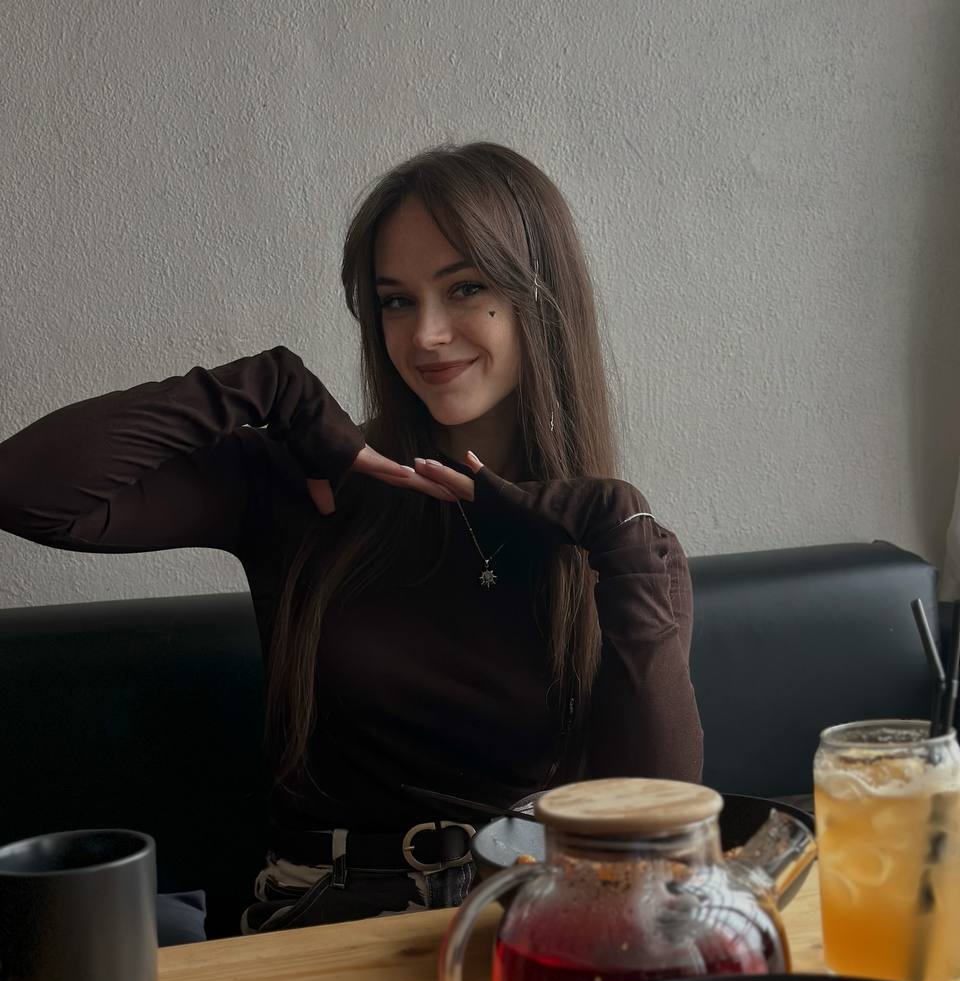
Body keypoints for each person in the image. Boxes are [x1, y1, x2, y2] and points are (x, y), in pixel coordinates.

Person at [0, 141, 702, 939]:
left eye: (465, 288)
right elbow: (26, 491)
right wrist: (261, 387)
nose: (426, 335)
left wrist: (616, 533)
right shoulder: (306, 488)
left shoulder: (620, 546)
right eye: (396, 301)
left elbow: (658, 836)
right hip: (321, 921)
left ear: (541, 298)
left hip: (520, 926)